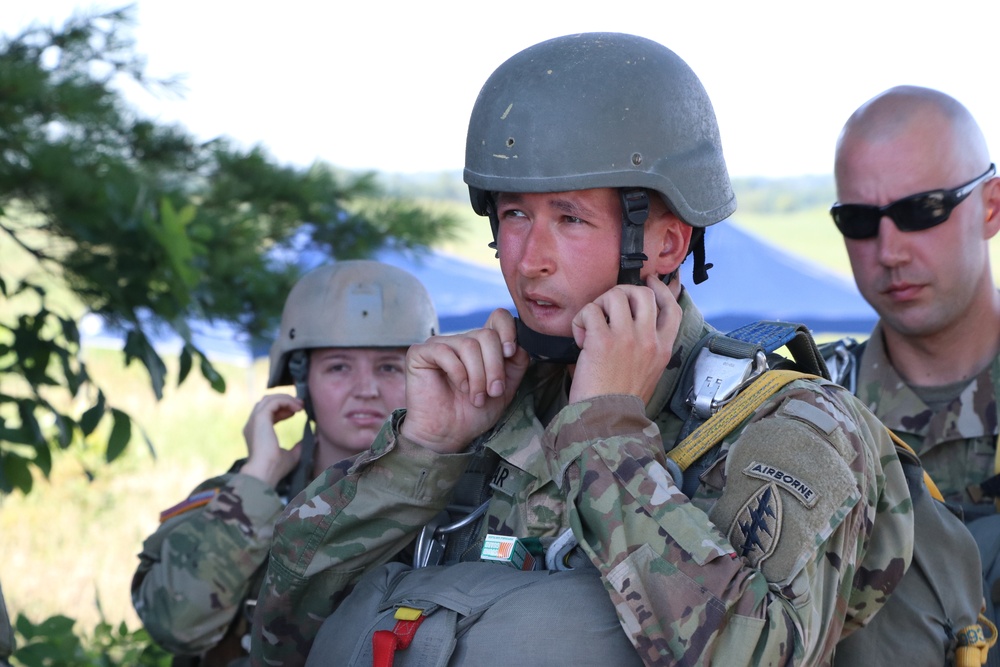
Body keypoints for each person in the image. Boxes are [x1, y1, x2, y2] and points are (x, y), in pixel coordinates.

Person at [251, 33, 913, 667]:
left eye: (569, 218)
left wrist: (605, 434)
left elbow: (757, 653)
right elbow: (281, 632)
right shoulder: (489, 410)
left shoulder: (796, 427)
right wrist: (421, 454)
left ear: (667, 244)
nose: (530, 260)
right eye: (514, 214)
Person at [131, 260, 438, 666]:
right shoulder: (244, 495)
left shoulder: (453, 500)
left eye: (388, 367)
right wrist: (257, 479)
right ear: (301, 380)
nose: (365, 389)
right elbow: (175, 625)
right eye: (339, 367)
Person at [824, 86, 1000, 665]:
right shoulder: (807, 409)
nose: (889, 250)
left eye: (920, 210)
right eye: (859, 220)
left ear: (991, 207)